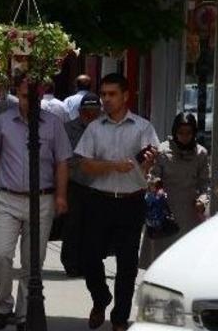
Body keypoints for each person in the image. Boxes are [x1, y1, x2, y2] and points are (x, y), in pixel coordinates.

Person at [0, 77, 71, 331]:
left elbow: (62, 162)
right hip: (8, 198)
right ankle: (3, 305)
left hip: (43, 199)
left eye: (36, 98)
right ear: (18, 94)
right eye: (27, 97)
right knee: (1, 255)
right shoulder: (3, 122)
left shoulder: (53, 124)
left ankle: (24, 314)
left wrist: (61, 196)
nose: (32, 103)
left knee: (33, 263)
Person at [74, 73, 159, 331]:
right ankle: (100, 298)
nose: (106, 100)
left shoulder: (143, 127)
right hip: (99, 201)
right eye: (103, 95)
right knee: (89, 256)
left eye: (112, 94)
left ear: (125, 96)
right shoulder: (95, 128)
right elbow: (84, 164)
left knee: (127, 263)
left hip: (130, 202)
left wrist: (149, 162)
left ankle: (120, 317)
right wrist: (113, 166)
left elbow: (151, 159)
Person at [139, 112, 210, 268]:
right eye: (180, 133)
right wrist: (154, 183)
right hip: (164, 212)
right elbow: (152, 176)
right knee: (160, 258)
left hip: (189, 213)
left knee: (186, 259)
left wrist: (202, 200)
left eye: (188, 133)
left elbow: (205, 183)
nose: (184, 137)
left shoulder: (201, 153)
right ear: (174, 132)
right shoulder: (163, 151)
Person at [60, 92, 101, 277]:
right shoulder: (68, 129)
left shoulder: (104, 128)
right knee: (73, 224)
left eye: (94, 112)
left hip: (99, 184)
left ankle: (90, 262)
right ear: (80, 111)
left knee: (94, 226)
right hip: (75, 182)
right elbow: (66, 157)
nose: (90, 116)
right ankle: (71, 262)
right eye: (87, 112)